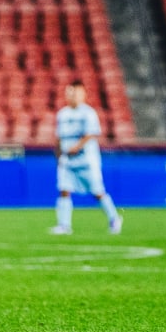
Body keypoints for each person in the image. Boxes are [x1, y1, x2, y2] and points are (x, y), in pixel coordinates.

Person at [51, 79, 123, 235]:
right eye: (70, 93)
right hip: (67, 161)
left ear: (83, 94)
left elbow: (91, 134)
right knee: (64, 190)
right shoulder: (62, 114)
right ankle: (64, 225)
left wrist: (77, 147)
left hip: (86, 161)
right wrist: (58, 156)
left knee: (97, 192)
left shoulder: (88, 113)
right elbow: (58, 138)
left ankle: (114, 218)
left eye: (76, 93)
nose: (73, 96)